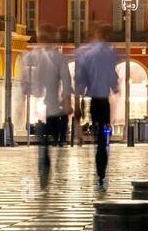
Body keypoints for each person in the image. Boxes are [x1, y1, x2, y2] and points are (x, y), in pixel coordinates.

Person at [73, 23, 120, 189]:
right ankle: (102, 168)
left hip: (92, 99)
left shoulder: (87, 53)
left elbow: (81, 78)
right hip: (104, 100)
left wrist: (78, 98)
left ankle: (98, 156)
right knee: (102, 137)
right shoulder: (110, 53)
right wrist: (115, 87)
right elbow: (113, 77)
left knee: (97, 132)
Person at [23, 40, 73, 186]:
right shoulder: (37, 57)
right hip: (48, 108)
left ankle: (47, 163)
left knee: (47, 140)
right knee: (46, 141)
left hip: (53, 108)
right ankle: (47, 163)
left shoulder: (51, 58)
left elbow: (66, 82)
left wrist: (66, 99)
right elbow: (66, 82)